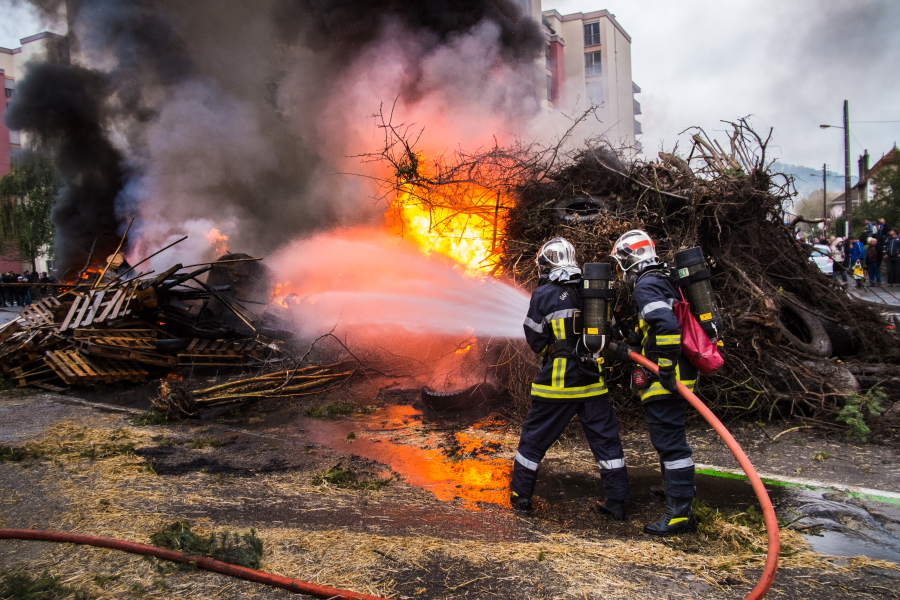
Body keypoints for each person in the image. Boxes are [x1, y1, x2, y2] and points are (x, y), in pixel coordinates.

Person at [511, 237, 630, 519]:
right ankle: (617, 501)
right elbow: (611, 330)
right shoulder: (593, 290)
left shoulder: (544, 294)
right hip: (592, 381)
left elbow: (535, 339)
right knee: (607, 442)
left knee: (534, 439)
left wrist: (555, 345)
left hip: (559, 385)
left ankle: (521, 496)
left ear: (547, 264)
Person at [610, 230, 698, 536]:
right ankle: (675, 495)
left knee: (671, 445)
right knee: (669, 441)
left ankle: (679, 513)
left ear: (629, 260)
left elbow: (668, 325)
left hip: (666, 378)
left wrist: (666, 368)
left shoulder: (646, 285)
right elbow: (654, 328)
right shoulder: (663, 280)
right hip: (676, 372)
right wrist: (630, 344)